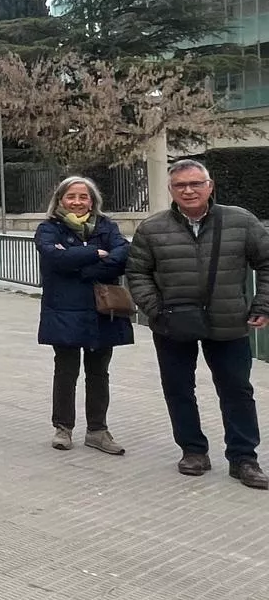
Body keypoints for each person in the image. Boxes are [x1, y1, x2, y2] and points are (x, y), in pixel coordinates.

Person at [127, 160, 268, 489]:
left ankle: (244, 457)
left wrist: (262, 303)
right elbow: (137, 272)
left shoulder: (240, 221)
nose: (188, 190)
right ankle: (192, 450)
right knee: (178, 389)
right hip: (173, 323)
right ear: (171, 190)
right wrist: (155, 310)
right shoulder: (152, 228)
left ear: (210, 186)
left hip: (228, 321)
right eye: (180, 186)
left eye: (195, 184)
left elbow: (266, 261)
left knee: (237, 391)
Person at [35, 175, 133, 455]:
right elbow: (55, 259)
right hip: (64, 310)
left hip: (103, 311)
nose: (77, 202)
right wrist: (95, 253)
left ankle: (98, 430)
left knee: (99, 373)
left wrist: (85, 266)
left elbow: (124, 254)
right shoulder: (48, 228)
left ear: (93, 200)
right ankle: (63, 428)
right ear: (60, 200)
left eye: (83, 197)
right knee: (66, 371)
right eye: (71, 197)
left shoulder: (106, 226)